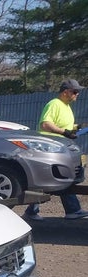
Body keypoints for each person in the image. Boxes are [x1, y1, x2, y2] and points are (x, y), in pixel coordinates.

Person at [23, 78, 87, 221]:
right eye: (75, 92)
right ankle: (72, 210)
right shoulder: (54, 104)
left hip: (60, 147)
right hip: (49, 148)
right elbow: (45, 124)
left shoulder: (66, 106)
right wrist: (64, 132)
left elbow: (62, 125)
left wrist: (77, 127)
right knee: (53, 178)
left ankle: (71, 210)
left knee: (61, 177)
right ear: (65, 92)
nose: (77, 94)